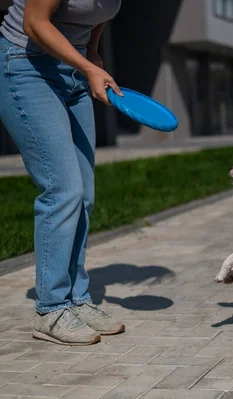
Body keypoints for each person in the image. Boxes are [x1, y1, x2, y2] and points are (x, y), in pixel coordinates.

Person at [0, 0, 125, 345]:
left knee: (83, 195)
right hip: (26, 67)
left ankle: (75, 299)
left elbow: (100, 14)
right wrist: (88, 66)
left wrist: (94, 53)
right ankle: (50, 309)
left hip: (73, 72)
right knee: (62, 190)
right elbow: (35, 23)